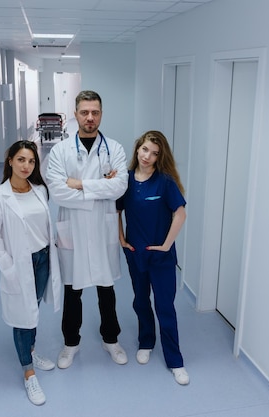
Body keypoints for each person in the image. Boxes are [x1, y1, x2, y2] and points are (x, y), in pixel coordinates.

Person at [45, 90, 129, 369]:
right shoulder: (60, 150)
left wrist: (79, 184)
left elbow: (119, 187)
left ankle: (111, 339)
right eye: (84, 112)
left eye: (95, 112)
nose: (90, 117)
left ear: (101, 114)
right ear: (76, 114)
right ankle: (70, 344)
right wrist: (100, 188)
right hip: (74, 230)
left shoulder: (114, 149)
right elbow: (58, 193)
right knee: (73, 290)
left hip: (101, 227)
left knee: (107, 289)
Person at [0, 140, 62, 406]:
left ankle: (30, 349)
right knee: (22, 316)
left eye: (31, 161)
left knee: (34, 308)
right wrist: (8, 268)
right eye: (21, 160)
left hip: (42, 259)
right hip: (20, 262)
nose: (26, 166)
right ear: (10, 162)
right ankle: (28, 372)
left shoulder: (40, 190)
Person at [117, 130, 190, 385]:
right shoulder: (124, 180)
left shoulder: (165, 182)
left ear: (160, 157)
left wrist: (166, 245)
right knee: (140, 301)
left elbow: (179, 214)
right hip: (135, 254)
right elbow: (116, 209)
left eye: (155, 153)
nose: (148, 156)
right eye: (145, 149)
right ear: (138, 148)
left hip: (161, 257)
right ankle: (146, 341)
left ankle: (175, 361)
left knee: (165, 306)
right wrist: (121, 239)